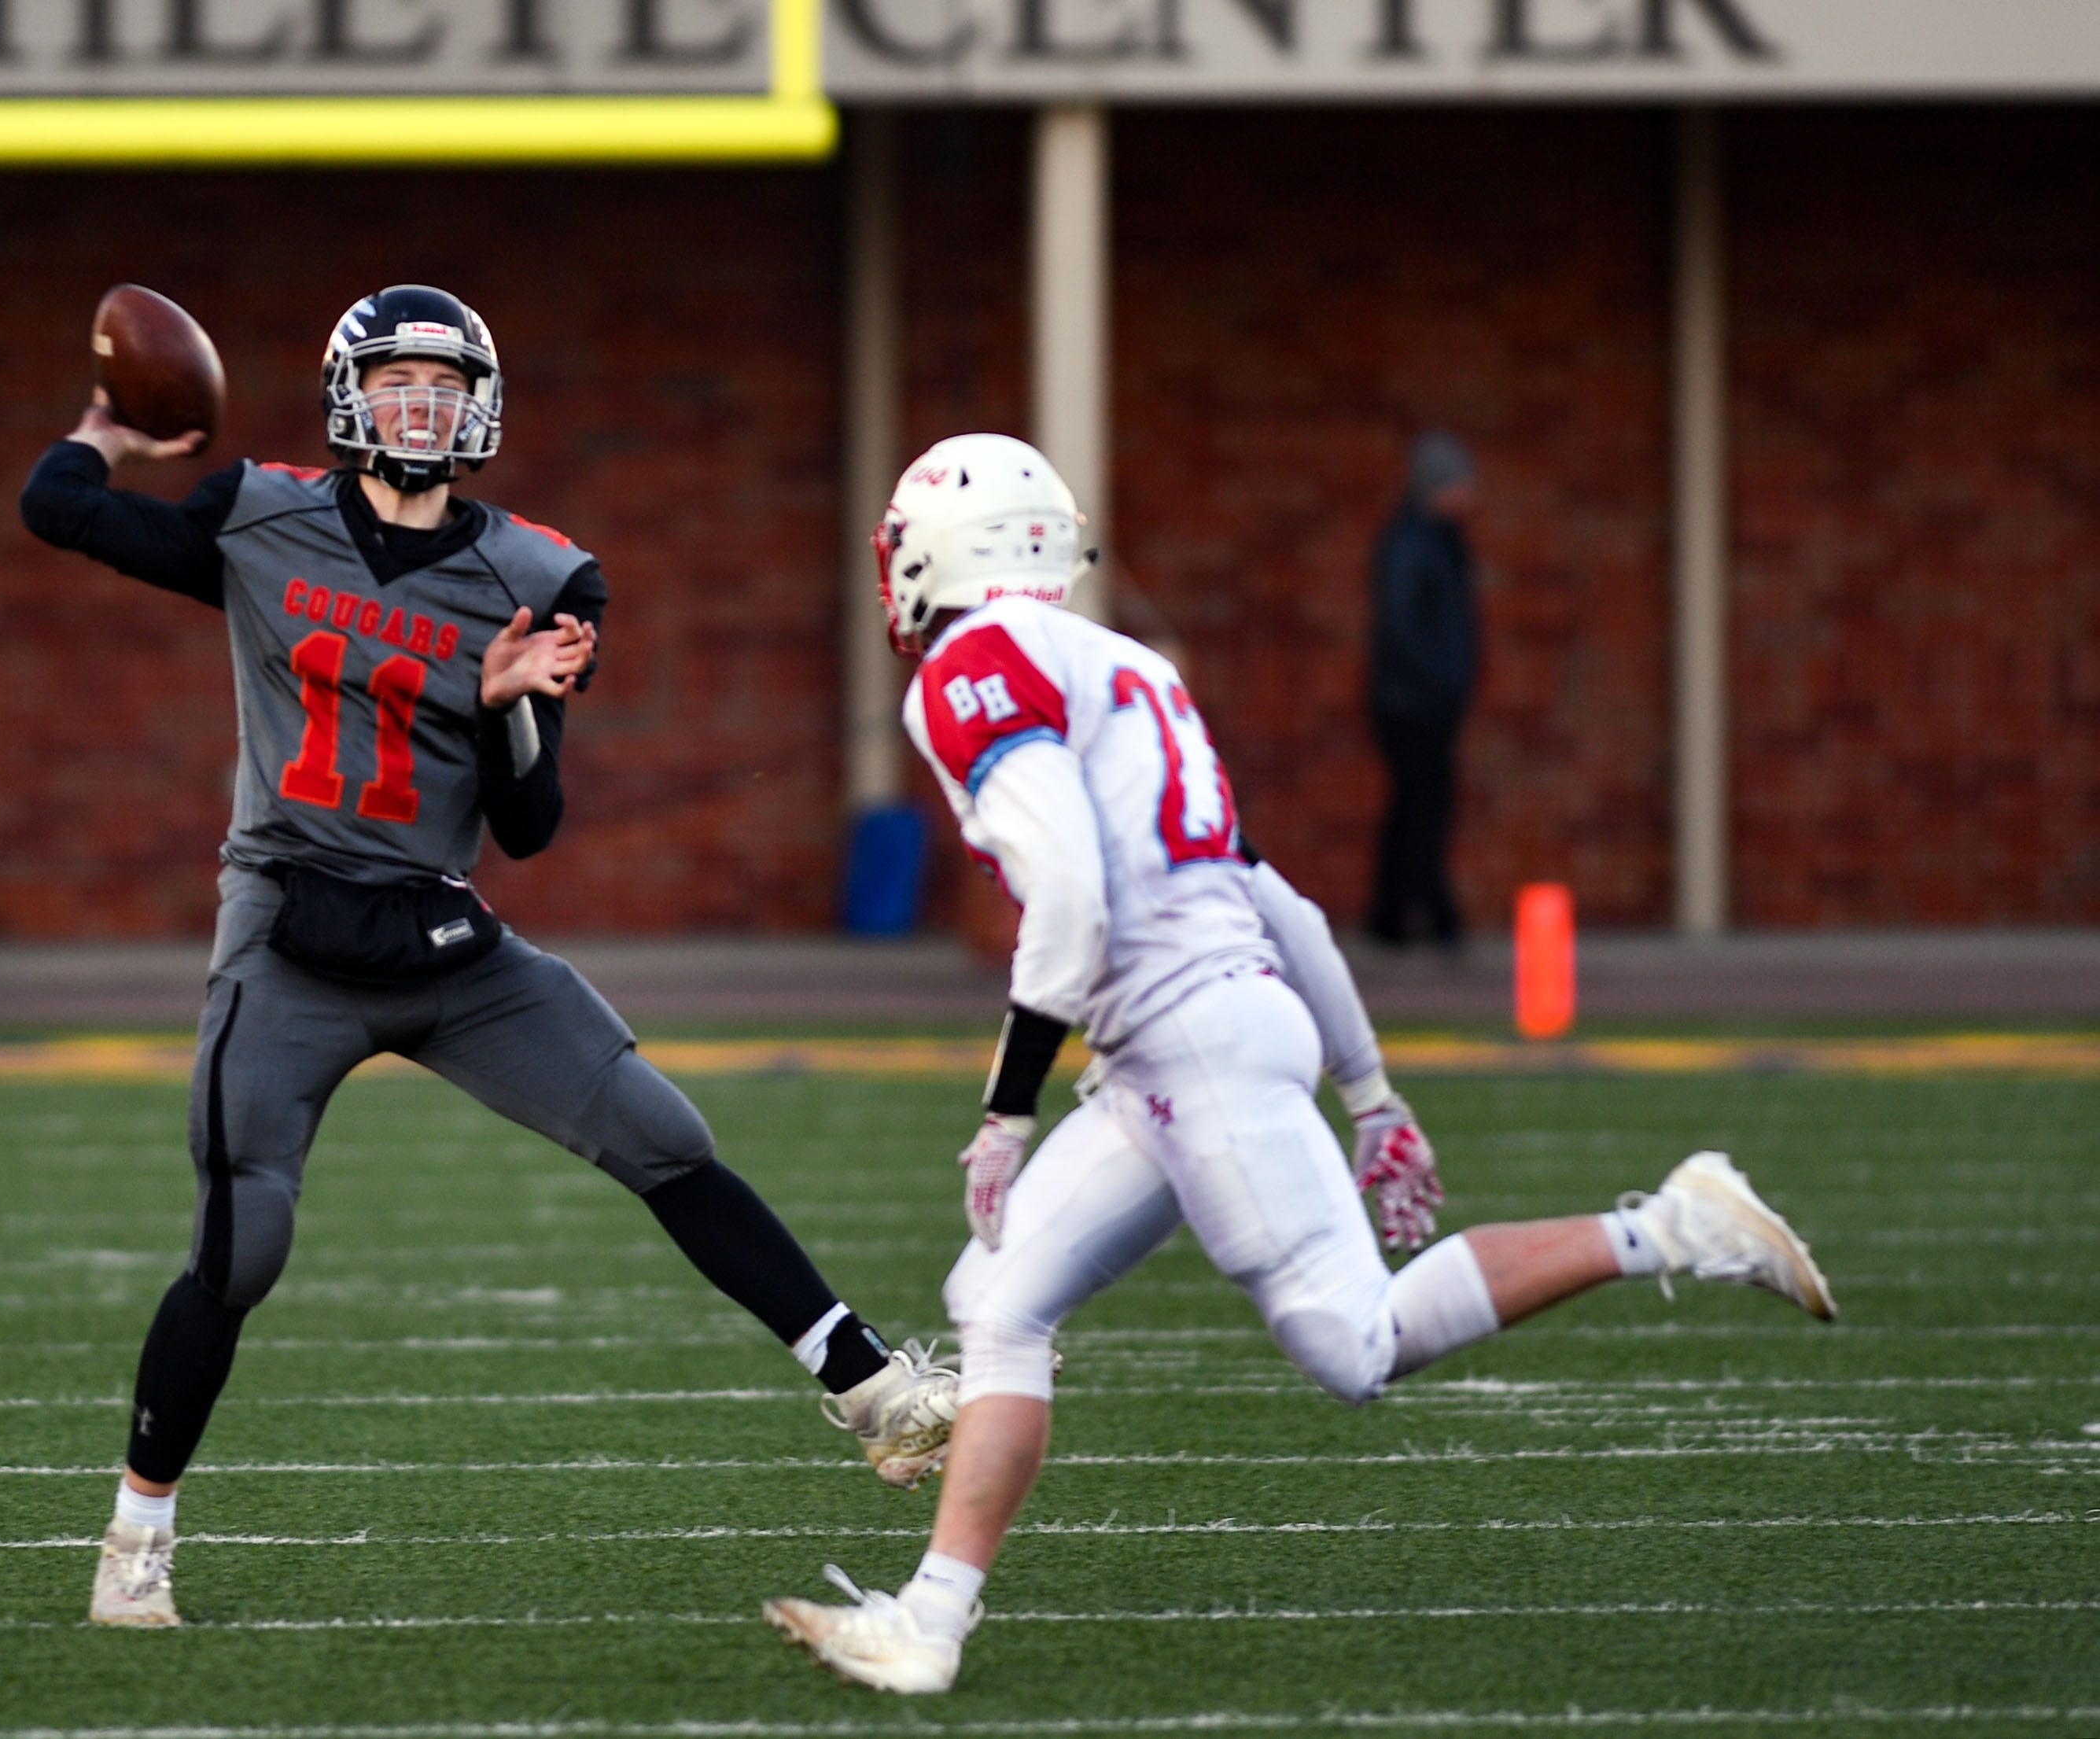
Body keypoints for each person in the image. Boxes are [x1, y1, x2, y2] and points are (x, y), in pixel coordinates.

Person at [762, 433, 1835, 1695]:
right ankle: (928, 1622)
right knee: (997, 1302)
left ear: (944, 542)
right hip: (1192, 1038)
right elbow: (1289, 908)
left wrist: (1004, 1106)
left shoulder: (976, 665)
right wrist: (1371, 1091)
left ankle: (1674, 1223)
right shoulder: (1126, 669)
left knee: (1353, 1341)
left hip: (1186, 1044)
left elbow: (1070, 899)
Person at [19, 285, 958, 1629]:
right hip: (287, 925)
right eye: (397, 384)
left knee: (663, 1132)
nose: (420, 410)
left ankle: (869, 1387)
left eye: (444, 391)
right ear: (351, 398)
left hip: (439, 929)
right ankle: (135, 1540)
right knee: (243, 1247)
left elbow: (531, 825)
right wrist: (112, 424)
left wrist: (510, 708)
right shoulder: (257, 517)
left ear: (480, 410)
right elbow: (54, 511)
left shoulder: (538, 575)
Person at [1364, 430, 1479, 948]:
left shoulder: (1436, 541)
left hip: (1420, 701)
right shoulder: (1416, 544)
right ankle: (1423, 913)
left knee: (1418, 806)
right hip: (1414, 705)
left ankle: (1404, 912)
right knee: (1422, 807)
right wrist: (1443, 684)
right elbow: (1405, 627)